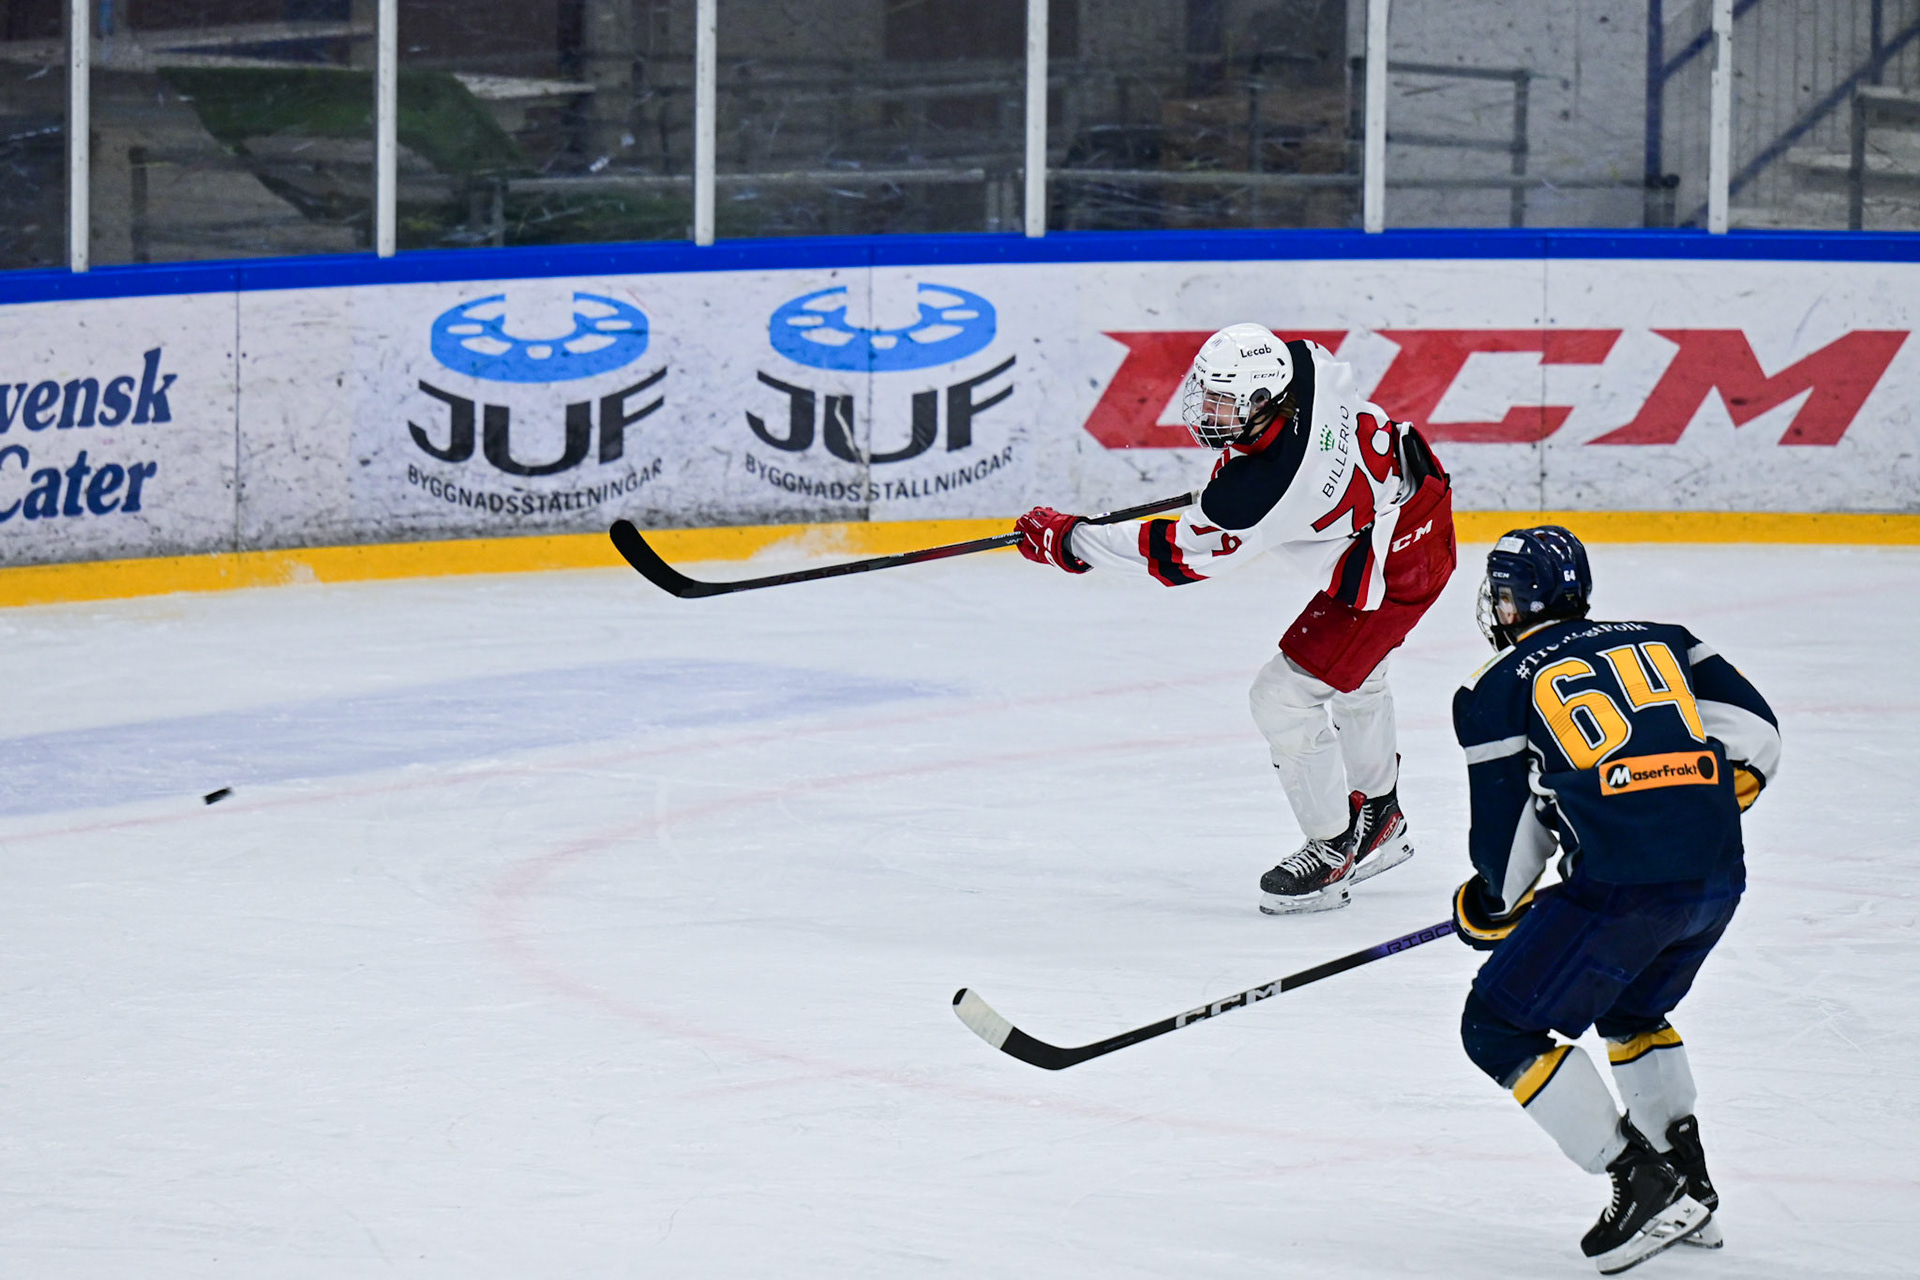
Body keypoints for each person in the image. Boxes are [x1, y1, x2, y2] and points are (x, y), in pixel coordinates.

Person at [1014, 323, 1456, 913]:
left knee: (1282, 698)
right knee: (1358, 675)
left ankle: (1331, 852)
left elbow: (1177, 556)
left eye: (1223, 402)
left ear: (1263, 400)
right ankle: (1381, 817)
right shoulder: (1305, 365)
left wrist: (1073, 542)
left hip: (1395, 568)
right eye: (1207, 394)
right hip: (1415, 505)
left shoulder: (1262, 493)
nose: (1207, 411)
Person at [1449, 526, 1781, 1274]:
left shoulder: (1492, 687)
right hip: (1717, 877)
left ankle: (1643, 1185)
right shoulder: (1666, 639)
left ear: (1513, 602)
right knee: (1631, 1012)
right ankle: (1689, 1184)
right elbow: (1756, 731)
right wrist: (1693, 802)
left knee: (1494, 1027)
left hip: (1622, 892)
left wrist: (1492, 902)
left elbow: (1508, 836)